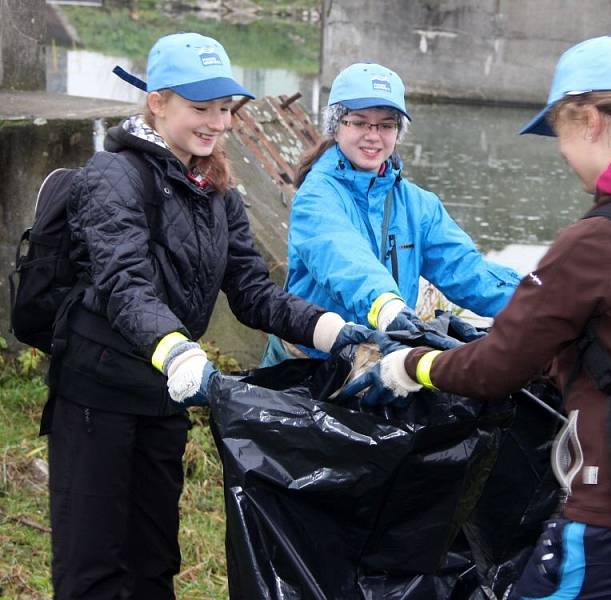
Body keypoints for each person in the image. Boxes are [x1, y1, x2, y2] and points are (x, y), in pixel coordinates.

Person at [350, 36, 611, 598]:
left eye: (559, 133)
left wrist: (409, 366)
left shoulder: (600, 241)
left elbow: (494, 369)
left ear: (588, 121)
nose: (561, 153)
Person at [46, 32, 380, 599]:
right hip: (96, 394)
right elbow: (125, 284)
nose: (218, 123)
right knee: (93, 564)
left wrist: (336, 332)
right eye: (201, 109)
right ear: (158, 102)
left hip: (164, 395)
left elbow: (253, 291)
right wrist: (178, 350)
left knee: (154, 558)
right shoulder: (112, 175)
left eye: (225, 109)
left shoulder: (217, 190)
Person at [260, 61, 520, 366]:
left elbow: (465, 270)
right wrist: (385, 306)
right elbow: (343, 257)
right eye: (359, 122)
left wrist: (531, 301)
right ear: (336, 126)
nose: (373, 135)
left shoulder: (418, 205)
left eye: (386, 125)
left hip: (383, 360)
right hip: (309, 363)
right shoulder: (317, 196)